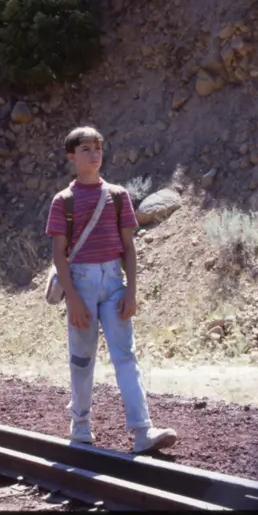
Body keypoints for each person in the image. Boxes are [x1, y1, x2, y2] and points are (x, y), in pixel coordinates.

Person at [45, 126, 177, 454]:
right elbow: (58, 254)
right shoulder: (64, 201)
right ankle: (80, 426)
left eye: (98, 148)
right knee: (81, 359)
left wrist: (131, 292)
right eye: (86, 149)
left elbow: (129, 249)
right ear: (71, 156)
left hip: (113, 282)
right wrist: (73, 299)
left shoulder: (117, 196)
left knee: (126, 357)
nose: (94, 154)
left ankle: (142, 430)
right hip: (82, 283)